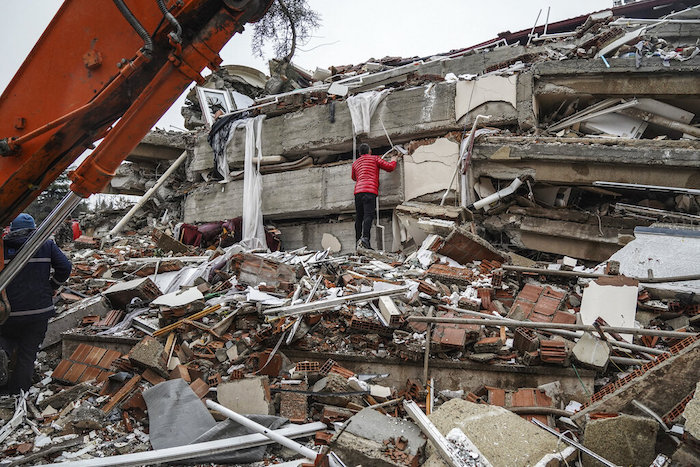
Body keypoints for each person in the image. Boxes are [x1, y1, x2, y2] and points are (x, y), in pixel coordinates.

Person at [0, 213, 72, 394]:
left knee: (4, 342)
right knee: (27, 355)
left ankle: (4, 355)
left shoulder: (1, 246)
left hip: (7, 312)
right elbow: (65, 267)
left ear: (11, 229)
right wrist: (52, 286)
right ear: (34, 229)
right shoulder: (45, 244)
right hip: (38, 311)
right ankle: (19, 394)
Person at [351, 143, 399, 249]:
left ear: (359, 153)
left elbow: (354, 177)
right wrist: (394, 159)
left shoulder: (355, 163)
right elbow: (390, 167)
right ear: (370, 151)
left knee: (359, 217)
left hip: (358, 192)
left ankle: (358, 242)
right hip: (370, 191)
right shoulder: (374, 159)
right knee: (368, 216)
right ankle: (365, 240)